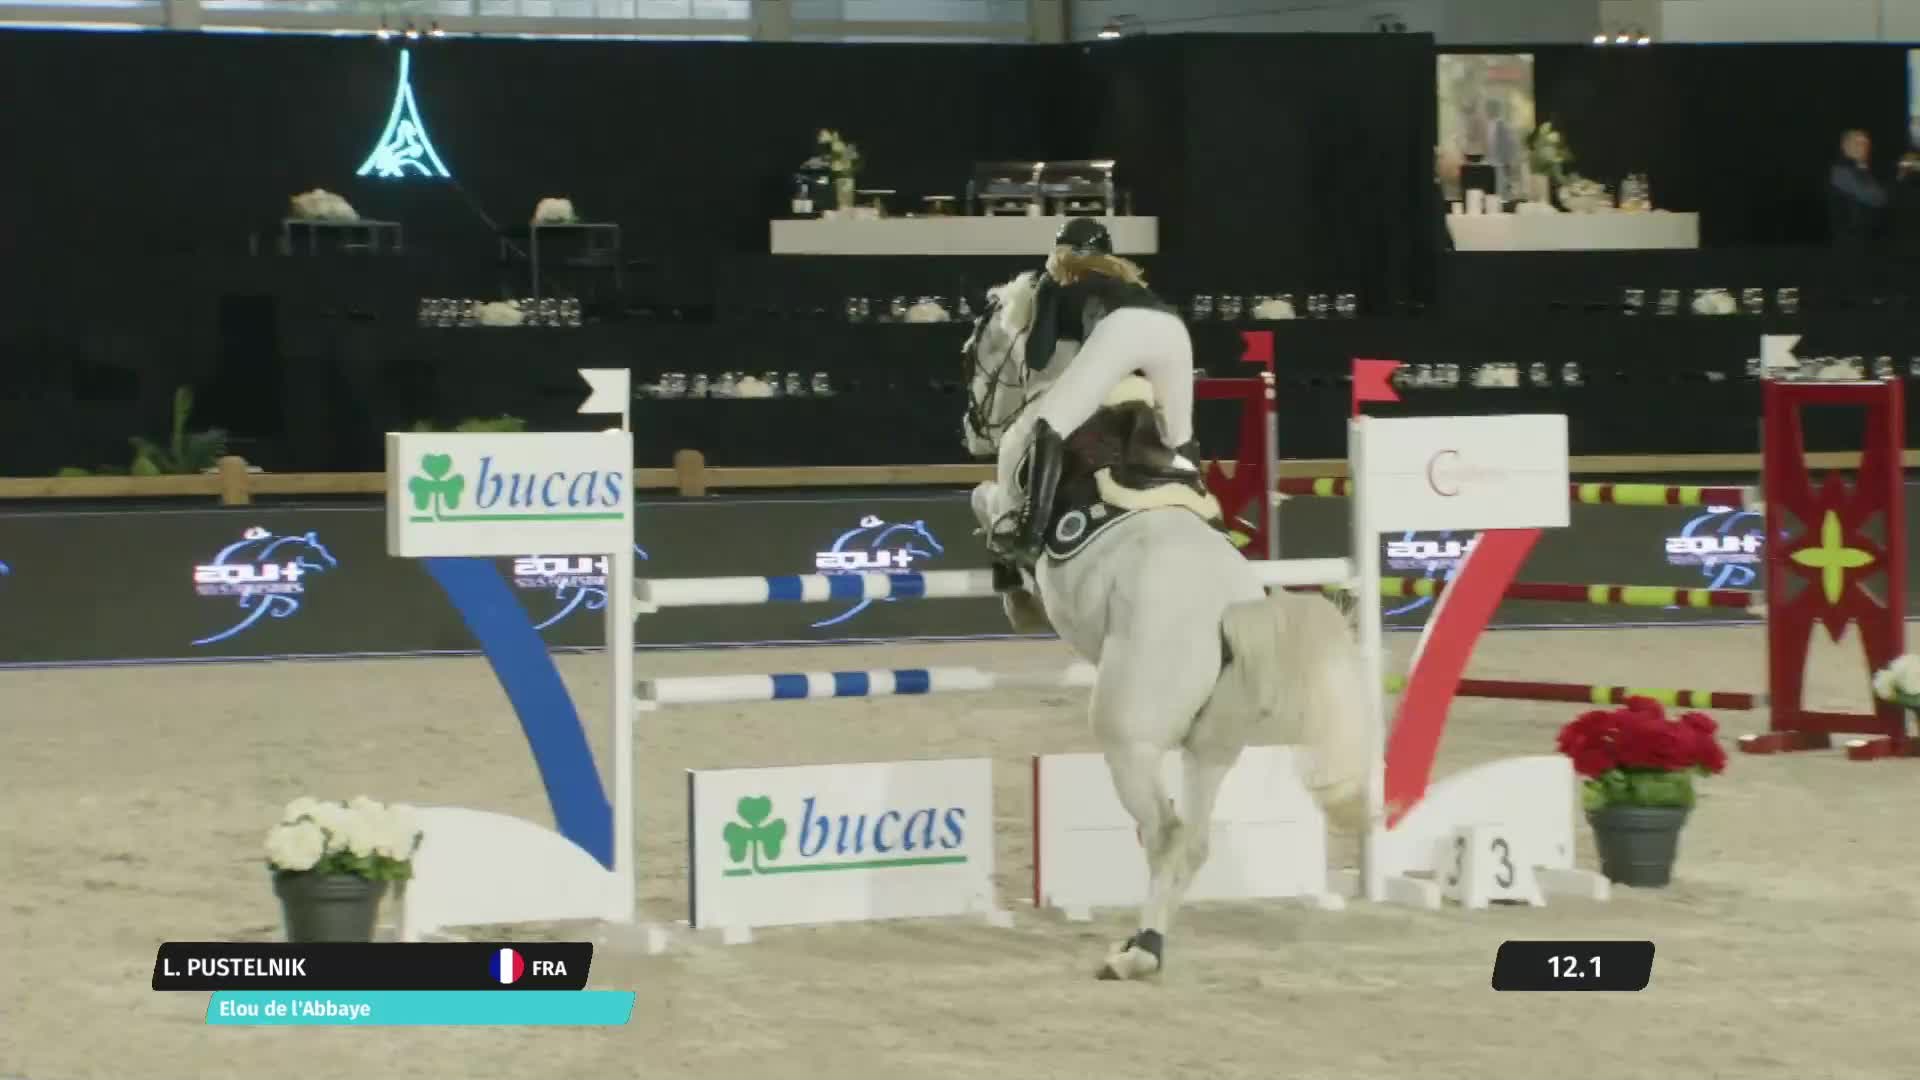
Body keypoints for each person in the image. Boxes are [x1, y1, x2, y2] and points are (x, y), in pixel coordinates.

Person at [988, 217, 1198, 565]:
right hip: (1172, 327)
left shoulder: (1056, 281)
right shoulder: (1126, 279)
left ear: (1062, 252)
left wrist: (1047, 305)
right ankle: (1203, 513)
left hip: (1122, 328)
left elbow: (1038, 358)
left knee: (1049, 424)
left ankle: (1029, 533)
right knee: (1178, 437)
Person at [1830, 128, 1888, 255]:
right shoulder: (1840, 171)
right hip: (1848, 244)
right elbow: (1876, 198)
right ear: (1845, 146)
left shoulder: (1859, 169)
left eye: (1865, 144)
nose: (1863, 148)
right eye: (1857, 143)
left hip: (1865, 242)